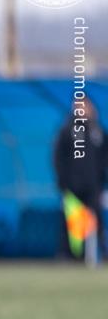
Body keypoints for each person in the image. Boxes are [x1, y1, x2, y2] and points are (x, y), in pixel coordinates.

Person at [53, 97, 107, 260]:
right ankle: (69, 255)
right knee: (73, 222)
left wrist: (102, 180)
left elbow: (104, 157)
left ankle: (98, 253)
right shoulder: (68, 130)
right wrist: (63, 182)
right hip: (72, 187)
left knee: (95, 220)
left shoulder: (97, 131)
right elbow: (59, 157)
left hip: (94, 186)